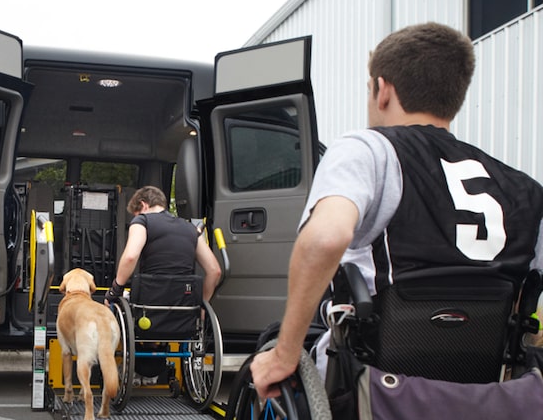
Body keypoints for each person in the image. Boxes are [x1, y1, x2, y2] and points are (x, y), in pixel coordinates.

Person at [250, 22, 543, 400]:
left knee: (273, 343)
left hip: (375, 383)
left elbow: (325, 238)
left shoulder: (368, 150)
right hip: (485, 390)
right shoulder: (522, 187)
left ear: (382, 89)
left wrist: (285, 355)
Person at [105, 186, 223, 384]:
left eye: (136, 213)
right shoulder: (190, 229)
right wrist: (201, 305)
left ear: (143, 205)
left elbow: (131, 256)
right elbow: (215, 271)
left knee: (115, 306)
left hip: (148, 310)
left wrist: (115, 289)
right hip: (184, 309)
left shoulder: (142, 221)